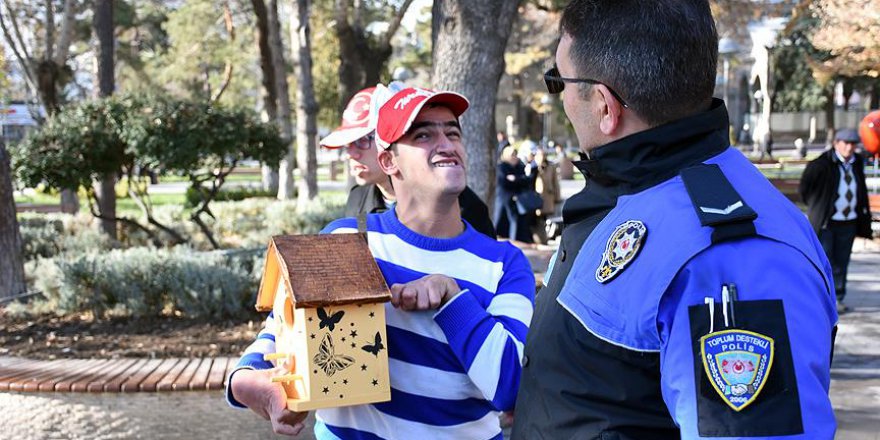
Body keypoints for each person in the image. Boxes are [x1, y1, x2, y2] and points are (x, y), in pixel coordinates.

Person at [512, 1, 837, 439]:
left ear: (606, 107)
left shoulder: (730, 250)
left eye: (559, 82)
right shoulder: (634, 193)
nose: (563, 99)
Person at [227, 86, 536, 439]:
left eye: (453, 132)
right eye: (423, 135)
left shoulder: (504, 263)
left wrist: (451, 298)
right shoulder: (344, 242)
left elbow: (513, 387)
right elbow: (280, 330)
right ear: (389, 161)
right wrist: (246, 379)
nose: (447, 143)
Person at [319, 85, 497, 239]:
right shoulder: (357, 199)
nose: (351, 153)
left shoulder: (462, 209)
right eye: (348, 144)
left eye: (363, 140)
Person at [799, 128, 873, 313]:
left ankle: (838, 298)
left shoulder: (857, 164)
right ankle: (822, 299)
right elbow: (805, 190)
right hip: (827, 223)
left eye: (853, 144)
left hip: (848, 221)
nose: (849, 147)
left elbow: (860, 190)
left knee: (841, 262)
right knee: (824, 262)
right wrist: (819, 206)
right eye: (845, 143)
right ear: (836, 143)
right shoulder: (821, 164)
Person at [494, 145, 532, 243]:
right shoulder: (502, 167)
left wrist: (515, 179)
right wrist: (518, 180)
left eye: (515, 154)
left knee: (518, 223)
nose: (514, 157)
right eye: (512, 155)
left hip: (518, 200)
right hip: (505, 200)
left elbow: (527, 180)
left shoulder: (520, 166)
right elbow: (504, 181)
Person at [531, 147, 561, 244]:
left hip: (548, 196)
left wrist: (557, 196)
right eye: (539, 155)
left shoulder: (550, 166)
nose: (542, 157)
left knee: (547, 218)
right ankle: (539, 238)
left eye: (543, 155)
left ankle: (545, 238)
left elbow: (555, 182)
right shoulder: (533, 167)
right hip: (537, 197)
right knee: (537, 219)